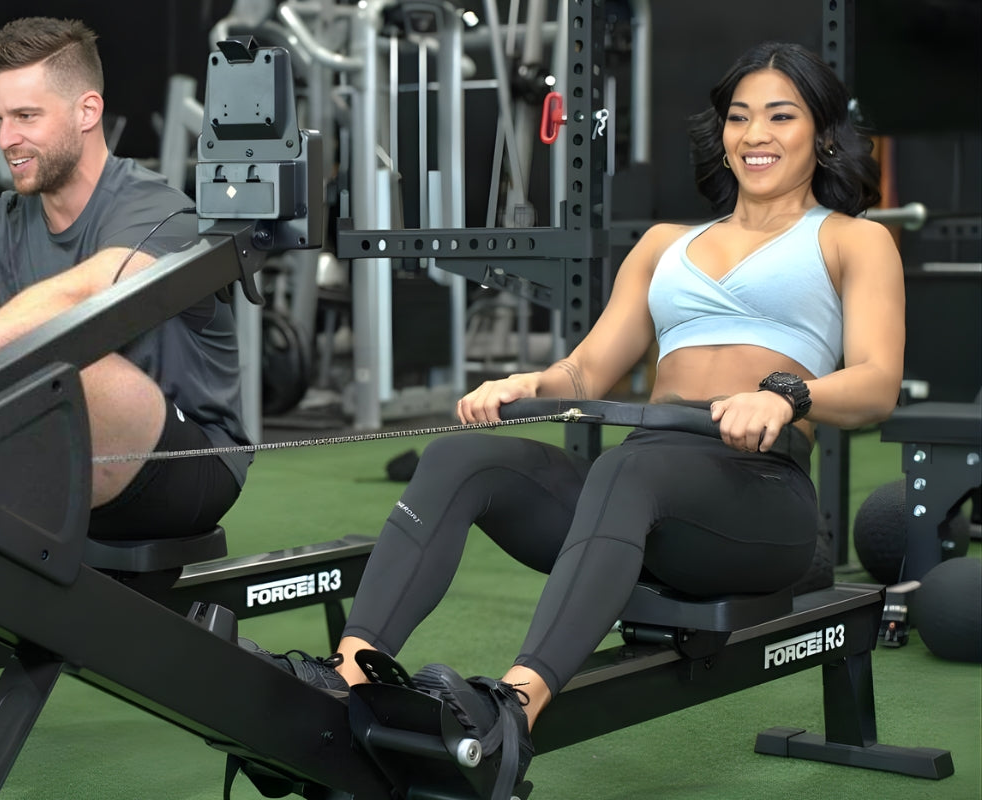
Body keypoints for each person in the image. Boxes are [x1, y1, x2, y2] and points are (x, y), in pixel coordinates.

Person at [249, 41, 904, 791]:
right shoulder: (665, 245)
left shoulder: (852, 240)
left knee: (628, 469)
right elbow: (587, 370)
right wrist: (530, 381)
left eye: (780, 117)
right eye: (740, 117)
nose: (755, 135)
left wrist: (786, 394)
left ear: (822, 133)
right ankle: (347, 679)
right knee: (464, 458)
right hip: (647, 492)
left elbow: (877, 384)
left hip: (758, 499)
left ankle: (512, 715)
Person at [0, 17, 251, 540]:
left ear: (87, 111)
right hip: (62, 450)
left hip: (187, 464)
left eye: (26, 116)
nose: (6, 139)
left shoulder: (158, 211)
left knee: (62, 354)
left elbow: (78, 297)